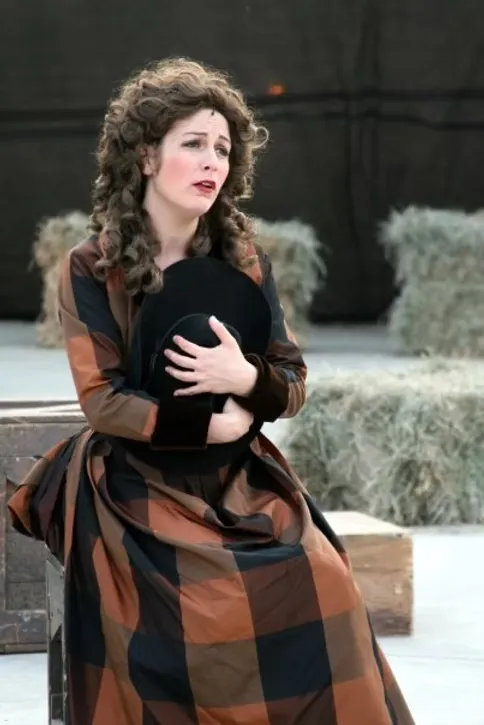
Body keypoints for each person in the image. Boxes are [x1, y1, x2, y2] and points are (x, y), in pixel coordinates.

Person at [8, 58, 415, 724]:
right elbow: (104, 399)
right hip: (135, 478)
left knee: (324, 580)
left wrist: (245, 379)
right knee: (188, 611)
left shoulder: (243, 257)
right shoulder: (92, 265)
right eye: (193, 143)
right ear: (146, 155)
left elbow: (291, 381)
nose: (212, 161)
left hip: (236, 476)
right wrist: (207, 425)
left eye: (223, 148)